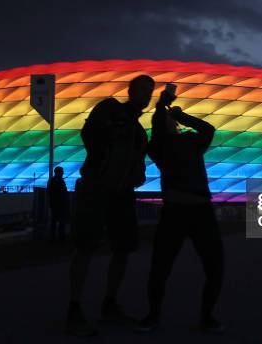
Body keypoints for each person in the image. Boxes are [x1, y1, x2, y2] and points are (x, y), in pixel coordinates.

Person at [67, 74, 155, 336]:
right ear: (130, 91)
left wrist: (137, 173)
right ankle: (74, 308)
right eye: (141, 90)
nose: (145, 95)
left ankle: (110, 303)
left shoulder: (140, 130)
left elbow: (139, 157)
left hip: (123, 192)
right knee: (85, 246)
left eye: (149, 92)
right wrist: (104, 160)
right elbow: (89, 134)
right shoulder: (110, 108)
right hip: (97, 187)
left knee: (124, 248)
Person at [136, 87, 224, 333]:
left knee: (215, 267)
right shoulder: (158, 147)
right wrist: (161, 108)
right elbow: (159, 125)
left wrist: (180, 116)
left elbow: (208, 129)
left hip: (200, 210)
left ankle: (207, 317)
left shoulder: (191, 141)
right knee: (160, 267)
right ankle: (153, 315)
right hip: (175, 211)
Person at [46, 166, 70, 242]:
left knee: (54, 221)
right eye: (62, 171)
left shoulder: (52, 180)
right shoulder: (60, 181)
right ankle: (61, 238)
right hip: (60, 204)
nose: (63, 173)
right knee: (61, 221)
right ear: (59, 172)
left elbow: (49, 192)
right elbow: (63, 192)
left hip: (55, 204)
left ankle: (53, 238)